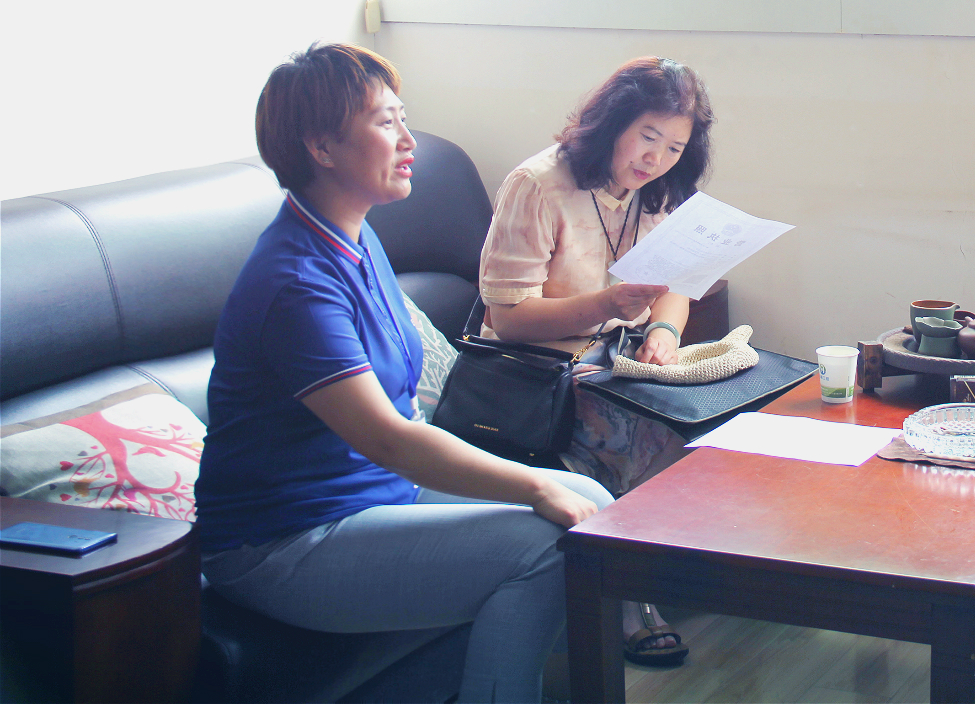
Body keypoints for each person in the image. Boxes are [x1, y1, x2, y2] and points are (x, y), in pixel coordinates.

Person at [197, 43, 612, 704]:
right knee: (550, 543)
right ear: (321, 148)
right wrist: (532, 484)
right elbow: (388, 438)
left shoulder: (355, 237)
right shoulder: (297, 282)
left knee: (594, 504)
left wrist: (542, 486)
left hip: (378, 497)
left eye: (404, 118)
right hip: (284, 541)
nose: (408, 139)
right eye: (385, 122)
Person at [478, 54, 715, 665]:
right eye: (647, 137)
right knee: (635, 423)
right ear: (613, 122)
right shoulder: (538, 185)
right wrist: (607, 304)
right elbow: (508, 318)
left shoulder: (658, 191)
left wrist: (664, 330)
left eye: (674, 148)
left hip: (621, 356)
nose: (655, 159)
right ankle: (628, 597)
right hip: (540, 368)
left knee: (719, 414)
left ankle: (660, 569)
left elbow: (675, 286)